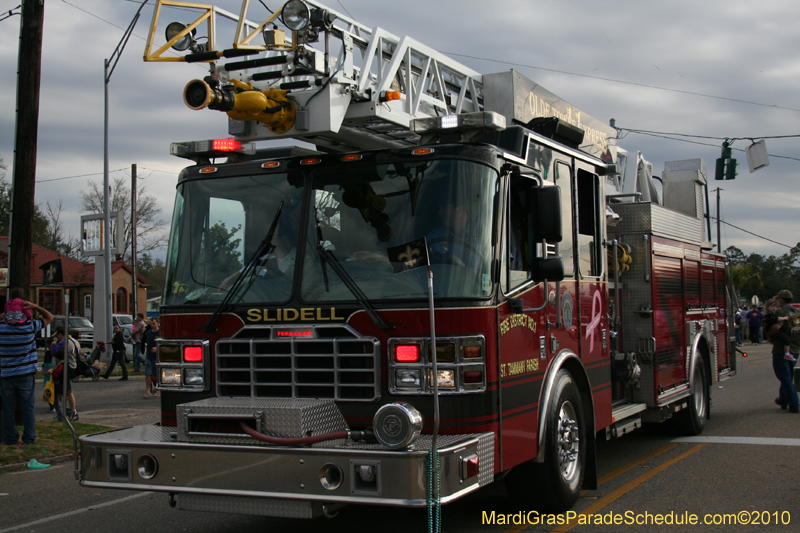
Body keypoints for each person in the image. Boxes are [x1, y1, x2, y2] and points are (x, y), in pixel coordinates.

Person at [0, 289, 53, 446]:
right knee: (28, 407)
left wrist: (5, 315)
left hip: (6, 374)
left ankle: (10, 437)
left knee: (8, 408)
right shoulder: (30, 326)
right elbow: (49, 317)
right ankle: (29, 436)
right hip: (26, 373)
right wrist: (34, 306)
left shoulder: (2, 328)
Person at [427, 200, 485, 268]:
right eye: (439, 208)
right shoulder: (434, 237)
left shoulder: (484, 232)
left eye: (445, 208)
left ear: (460, 209)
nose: (440, 212)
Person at [769, 290, 800, 413]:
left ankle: (794, 403)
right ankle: (783, 399)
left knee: (784, 377)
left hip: (781, 349)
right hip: (796, 348)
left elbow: (776, 327)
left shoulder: (781, 312)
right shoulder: (797, 312)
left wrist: (769, 333)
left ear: (781, 299)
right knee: (788, 375)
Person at [50, 326, 82, 421]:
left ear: (60, 334)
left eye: (58, 336)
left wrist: (54, 342)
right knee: (66, 391)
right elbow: (79, 356)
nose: (57, 337)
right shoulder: (75, 341)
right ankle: (66, 412)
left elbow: (54, 352)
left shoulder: (65, 342)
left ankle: (71, 412)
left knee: (66, 392)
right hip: (74, 366)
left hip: (66, 368)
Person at [143, 317, 160, 399]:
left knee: (157, 374)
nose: (152, 325)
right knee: (147, 373)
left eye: (154, 323)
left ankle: (158, 390)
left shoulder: (160, 332)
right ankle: (148, 391)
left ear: (157, 323)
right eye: (151, 324)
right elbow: (147, 344)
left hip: (157, 357)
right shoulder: (148, 333)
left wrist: (157, 348)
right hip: (149, 356)